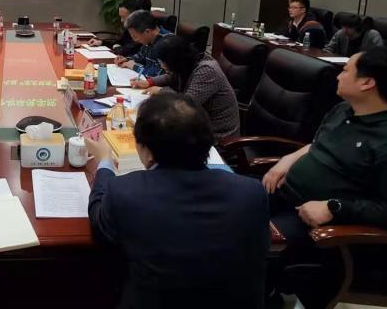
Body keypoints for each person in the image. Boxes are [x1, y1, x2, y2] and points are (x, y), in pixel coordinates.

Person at [263, 47, 387, 308]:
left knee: (245, 239)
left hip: (316, 224)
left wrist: (334, 207)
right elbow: (318, 145)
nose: (339, 76)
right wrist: (289, 159)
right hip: (282, 193)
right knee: (224, 207)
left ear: (367, 83)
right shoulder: (344, 110)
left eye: (345, 70)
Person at [85, 93, 269, 308]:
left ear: (146, 151)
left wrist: (105, 162)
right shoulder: (252, 193)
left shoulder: (125, 192)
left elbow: (99, 222)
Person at [130, 35, 240, 141]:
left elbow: (186, 104)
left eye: (162, 62)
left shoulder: (207, 70)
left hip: (217, 135)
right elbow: (172, 75)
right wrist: (149, 82)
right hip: (195, 125)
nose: (162, 66)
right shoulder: (187, 62)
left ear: (174, 61)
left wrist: (161, 91)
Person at [115, 10, 171, 78]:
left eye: (135, 37)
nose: (134, 40)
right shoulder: (149, 39)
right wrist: (127, 59)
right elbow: (141, 55)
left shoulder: (167, 44)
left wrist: (134, 66)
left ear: (147, 31)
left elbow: (161, 75)